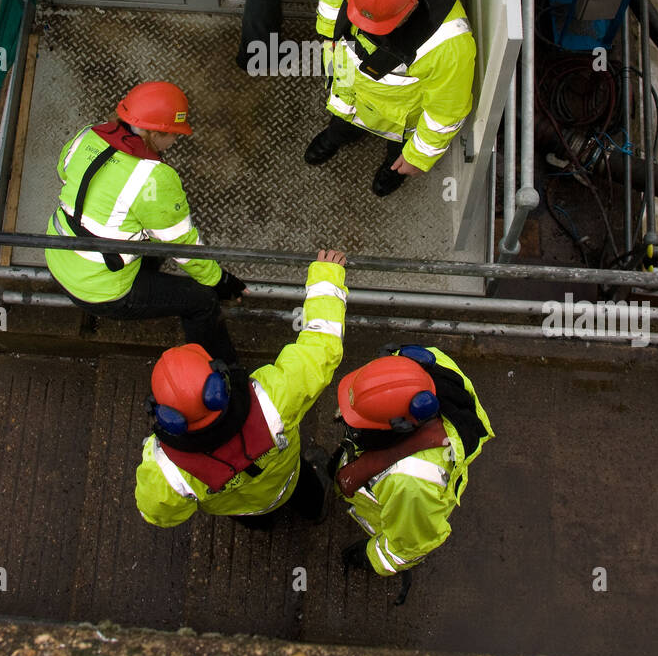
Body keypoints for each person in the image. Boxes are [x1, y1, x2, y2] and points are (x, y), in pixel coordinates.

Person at [135, 248, 348, 527]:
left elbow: (157, 514)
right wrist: (327, 277)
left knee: (257, 519)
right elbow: (322, 347)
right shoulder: (273, 399)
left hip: (242, 508)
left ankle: (266, 526)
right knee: (308, 493)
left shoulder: (166, 469)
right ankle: (315, 512)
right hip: (288, 479)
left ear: (167, 416)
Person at [45, 81, 244, 360]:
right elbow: (181, 246)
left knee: (147, 235)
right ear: (155, 132)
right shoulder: (154, 177)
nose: (176, 140)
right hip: (101, 289)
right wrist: (220, 280)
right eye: (174, 134)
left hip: (58, 254)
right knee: (203, 302)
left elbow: (64, 175)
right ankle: (218, 376)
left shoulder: (87, 136)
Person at [305, 0, 476, 195]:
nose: (362, 28)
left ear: (413, 5)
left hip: (399, 117)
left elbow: (446, 112)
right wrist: (329, 32)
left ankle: (393, 167)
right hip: (349, 84)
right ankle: (338, 134)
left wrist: (418, 157)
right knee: (340, 119)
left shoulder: (451, 46)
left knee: (399, 151)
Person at [333, 344, 493, 581]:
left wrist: (372, 557)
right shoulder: (422, 366)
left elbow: (411, 544)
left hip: (399, 510)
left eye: (359, 426)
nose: (349, 425)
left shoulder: (413, 485)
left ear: (402, 427)